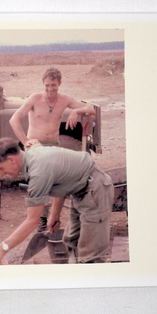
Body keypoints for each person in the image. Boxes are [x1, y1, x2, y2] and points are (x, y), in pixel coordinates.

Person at [0, 138, 113, 265]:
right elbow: (59, 180)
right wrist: (54, 215)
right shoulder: (31, 154)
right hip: (79, 189)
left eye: (0, 168)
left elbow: (32, 221)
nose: (0, 174)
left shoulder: (38, 173)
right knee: (72, 240)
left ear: (11, 159)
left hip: (94, 190)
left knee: (90, 256)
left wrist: (2, 249)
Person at [9, 67, 96, 231]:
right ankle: (40, 220)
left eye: (53, 86)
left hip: (53, 146)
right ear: (43, 84)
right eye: (47, 85)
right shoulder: (35, 98)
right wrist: (25, 140)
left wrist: (76, 111)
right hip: (36, 147)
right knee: (40, 184)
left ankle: (53, 219)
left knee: (59, 184)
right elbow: (14, 119)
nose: (50, 89)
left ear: (59, 84)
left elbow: (90, 109)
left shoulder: (64, 99)